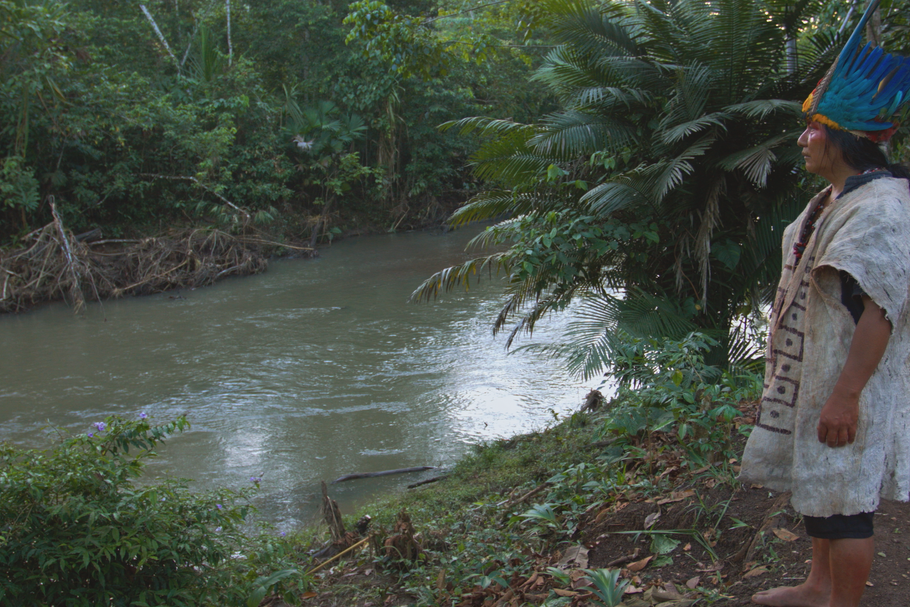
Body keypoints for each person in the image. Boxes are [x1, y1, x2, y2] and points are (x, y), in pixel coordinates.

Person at [739, 1, 910, 606]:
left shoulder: (880, 210)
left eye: (813, 129)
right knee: (823, 487)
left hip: (849, 381)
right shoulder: (838, 196)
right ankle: (817, 586)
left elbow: (881, 310)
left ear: (841, 140)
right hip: (821, 374)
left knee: (846, 504)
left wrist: (845, 395)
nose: (803, 139)